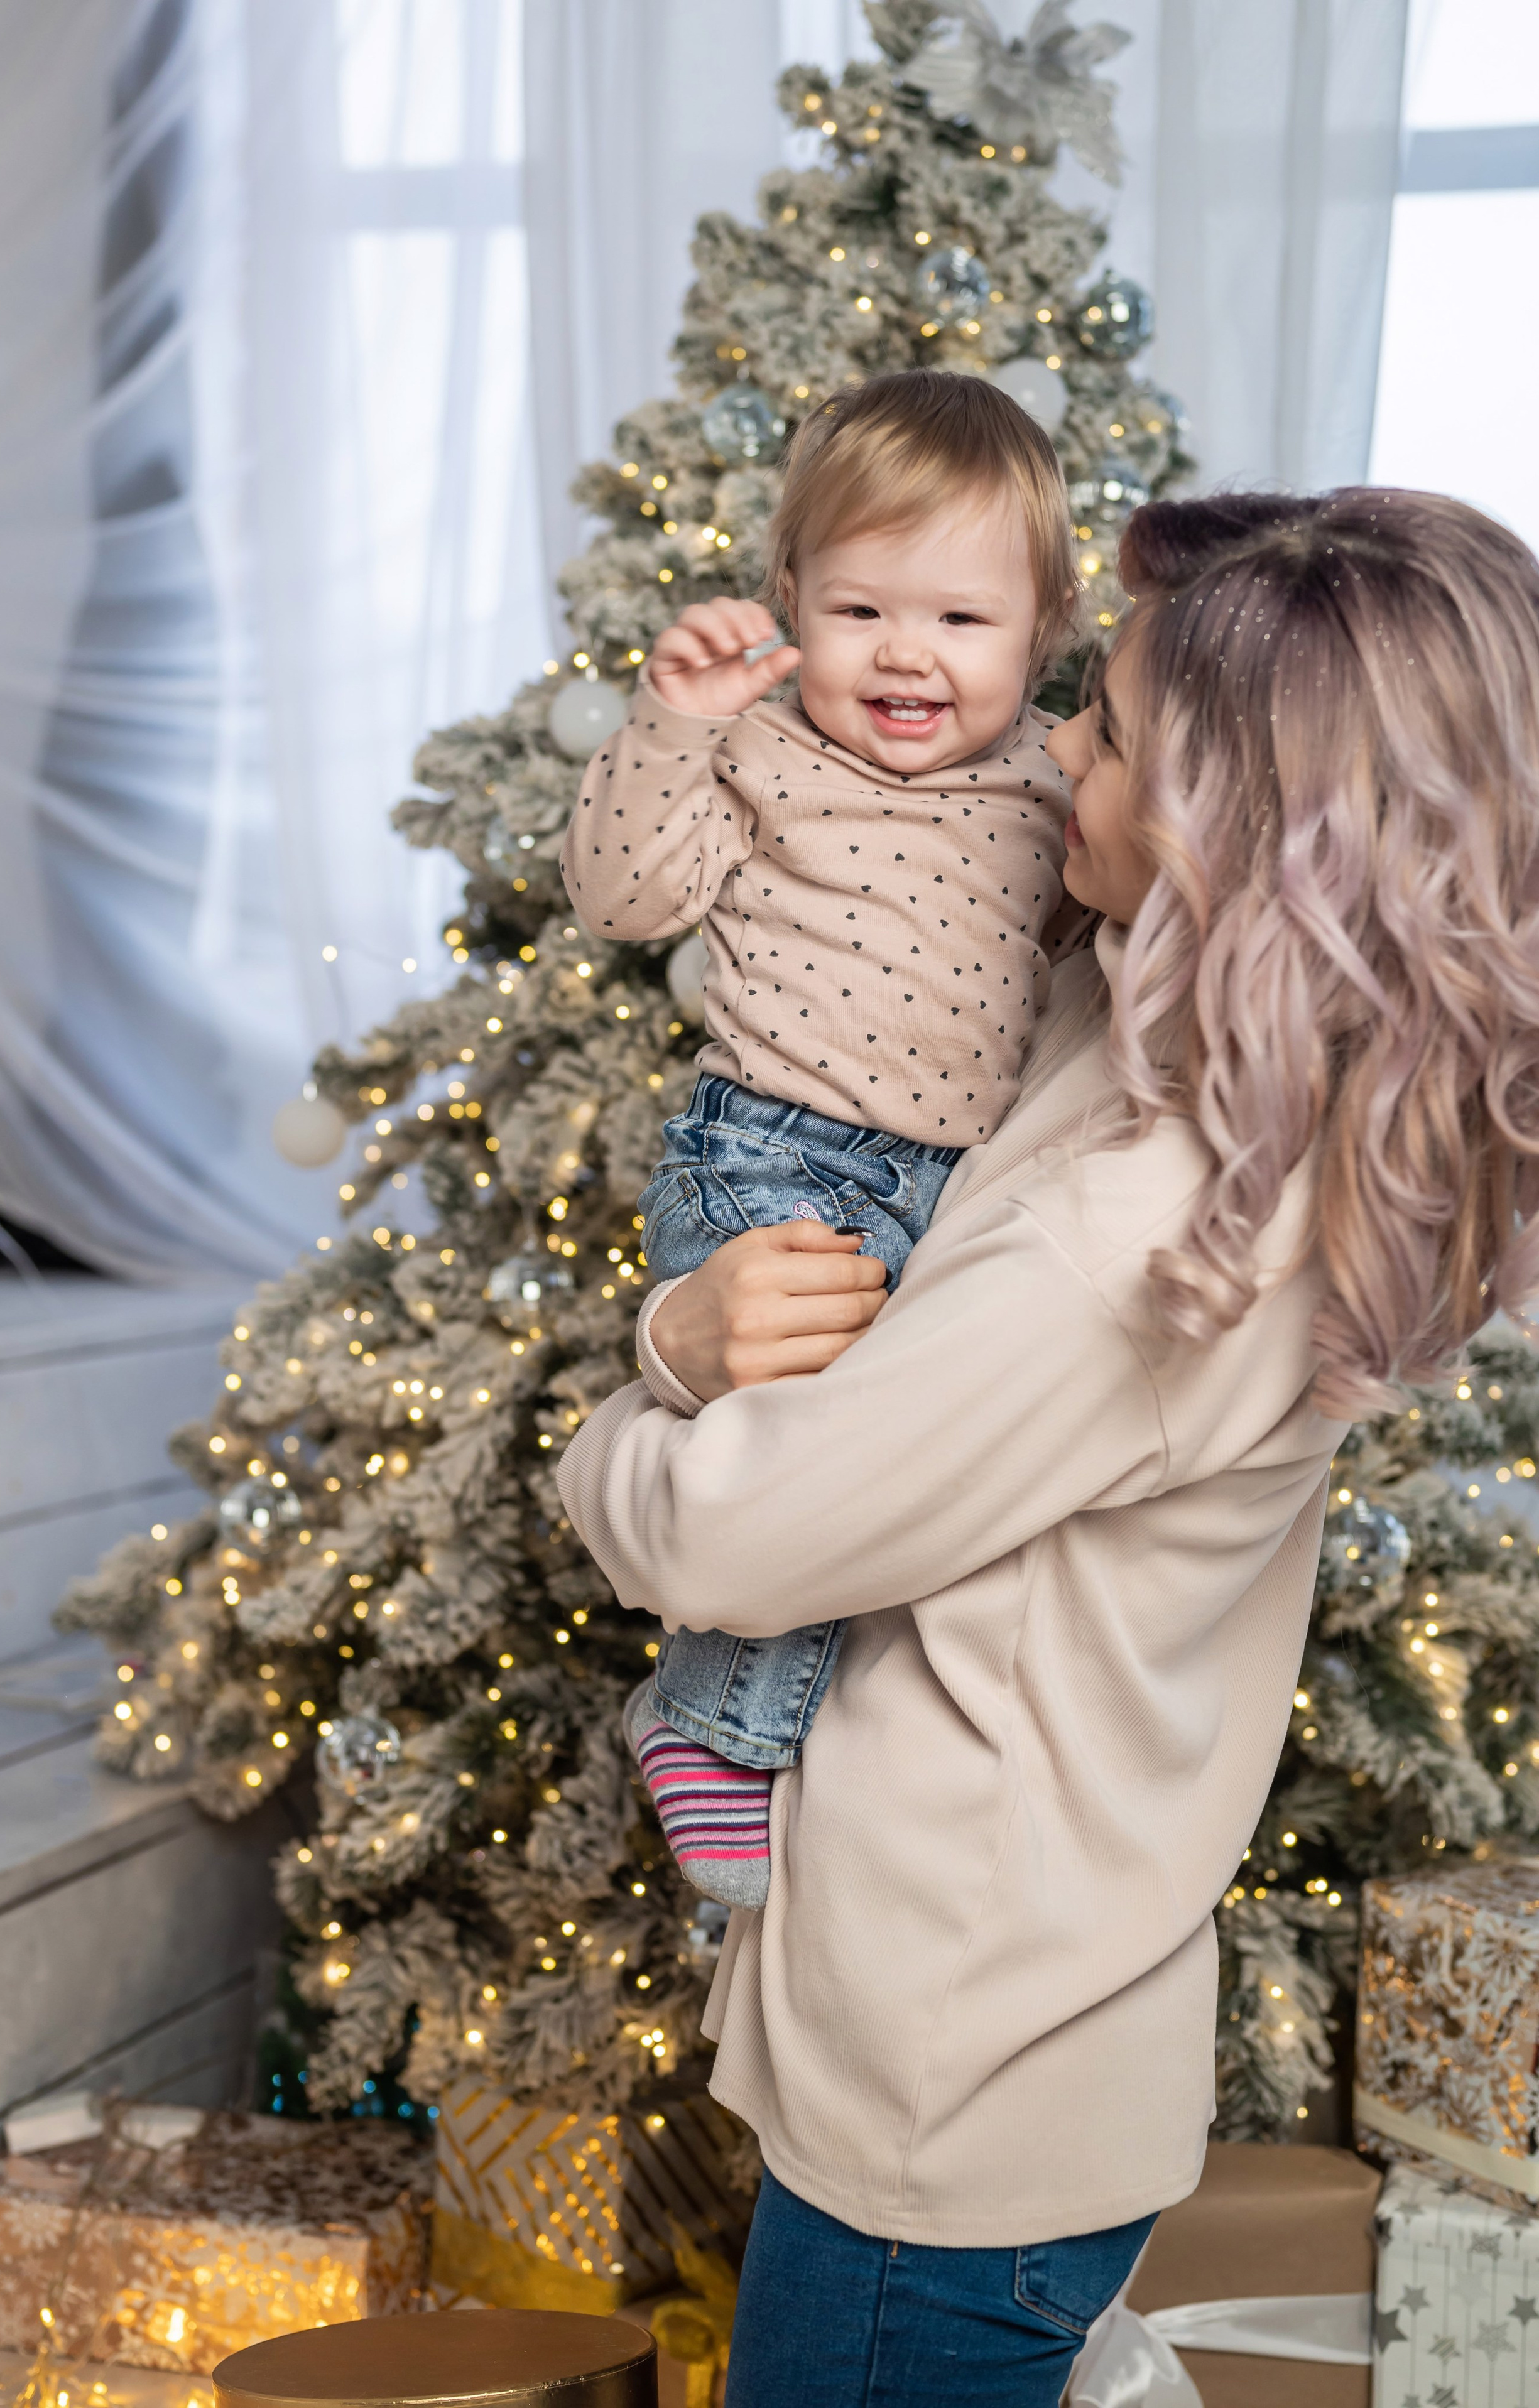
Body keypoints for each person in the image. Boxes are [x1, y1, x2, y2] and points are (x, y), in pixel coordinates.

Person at [557, 487, 1539, 2405]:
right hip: (1020, 2037)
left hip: (952, 2098)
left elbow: (733, 1539)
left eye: (1110, 726)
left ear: (1239, 822)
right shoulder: (1192, 1053)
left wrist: (648, 1372)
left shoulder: (1143, 1235)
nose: (1056, 747)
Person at [562, 369, 1092, 1909]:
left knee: (906, 1474)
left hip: (960, 1182)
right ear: (789, 595)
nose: (903, 655)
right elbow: (625, 897)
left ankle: (784, 1747)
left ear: (1044, 626)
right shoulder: (760, 754)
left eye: (957, 620)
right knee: (796, 1443)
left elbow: (1095, 954)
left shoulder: (1057, 777)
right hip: (777, 1157)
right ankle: (714, 1733)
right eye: (859, 611)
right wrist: (672, 723)